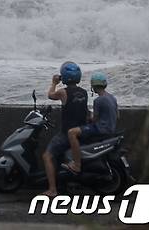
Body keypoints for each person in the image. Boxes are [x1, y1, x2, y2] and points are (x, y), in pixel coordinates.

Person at [41, 61, 88, 197]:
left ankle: (52, 189)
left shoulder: (63, 92)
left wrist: (54, 82)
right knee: (60, 156)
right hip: (81, 131)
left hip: (67, 134)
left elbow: (50, 95)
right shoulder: (84, 92)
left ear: (64, 77)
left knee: (47, 156)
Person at [63, 72, 119, 174]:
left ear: (93, 86)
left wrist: (90, 117)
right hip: (111, 128)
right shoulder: (112, 98)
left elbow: (94, 120)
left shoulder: (98, 100)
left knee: (72, 132)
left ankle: (77, 165)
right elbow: (117, 115)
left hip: (101, 129)